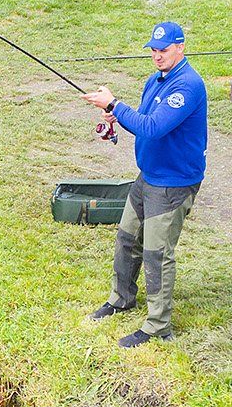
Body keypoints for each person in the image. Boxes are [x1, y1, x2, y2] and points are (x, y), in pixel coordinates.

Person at [79, 21, 208, 348]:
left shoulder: (188, 87)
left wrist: (114, 106)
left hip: (173, 184)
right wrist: (116, 116)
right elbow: (143, 119)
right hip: (148, 175)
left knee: (156, 254)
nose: (157, 56)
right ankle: (122, 298)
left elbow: (152, 128)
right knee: (126, 238)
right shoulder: (156, 80)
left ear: (181, 47)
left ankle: (157, 326)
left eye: (163, 50)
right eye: (153, 49)